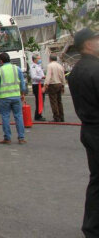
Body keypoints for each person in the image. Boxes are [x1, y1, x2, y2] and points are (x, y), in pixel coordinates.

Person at [68, 27, 99, 237]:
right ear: (88, 44)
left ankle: (91, 227)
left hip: (89, 129)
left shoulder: (76, 70)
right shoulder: (95, 69)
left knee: (96, 180)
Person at [0, 52, 27, 144]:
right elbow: (22, 83)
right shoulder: (17, 68)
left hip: (4, 98)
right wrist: (22, 93)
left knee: (5, 117)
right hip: (16, 96)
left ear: (1, 61)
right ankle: (21, 138)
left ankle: (7, 138)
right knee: (18, 116)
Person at [43, 54, 67, 122]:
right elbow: (63, 76)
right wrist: (63, 85)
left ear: (50, 59)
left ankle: (56, 117)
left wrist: (45, 85)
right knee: (59, 101)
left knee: (53, 101)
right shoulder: (60, 66)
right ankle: (62, 117)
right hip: (59, 84)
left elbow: (48, 76)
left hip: (53, 85)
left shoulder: (50, 66)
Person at [29, 53, 47, 121]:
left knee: (41, 100)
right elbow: (34, 77)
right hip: (37, 85)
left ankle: (39, 114)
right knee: (39, 100)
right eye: (38, 58)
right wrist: (42, 77)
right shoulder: (33, 67)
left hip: (41, 84)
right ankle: (38, 116)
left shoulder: (38, 66)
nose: (40, 59)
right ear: (34, 60)